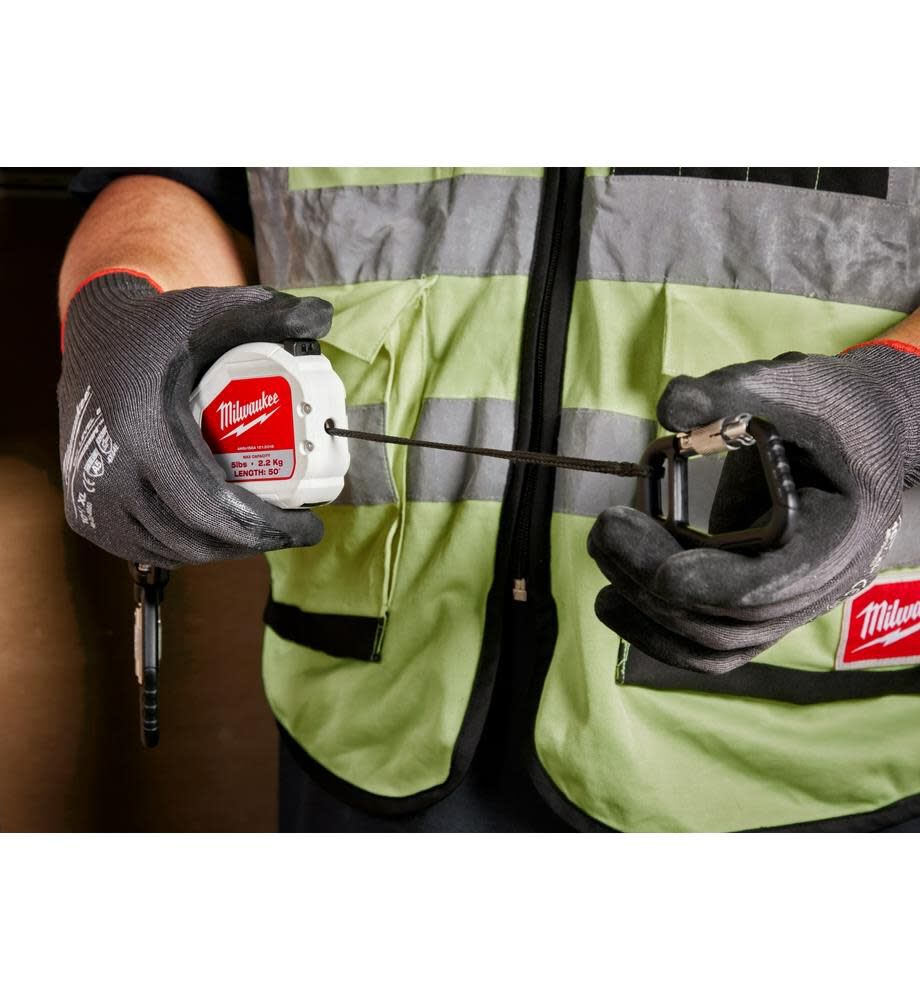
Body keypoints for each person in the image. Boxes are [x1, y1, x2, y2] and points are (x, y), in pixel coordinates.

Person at [58, 167, 920, 832]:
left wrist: (899, 404)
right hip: (370, 720)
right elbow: (175, 178)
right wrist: (120, 309)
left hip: (800, 747)